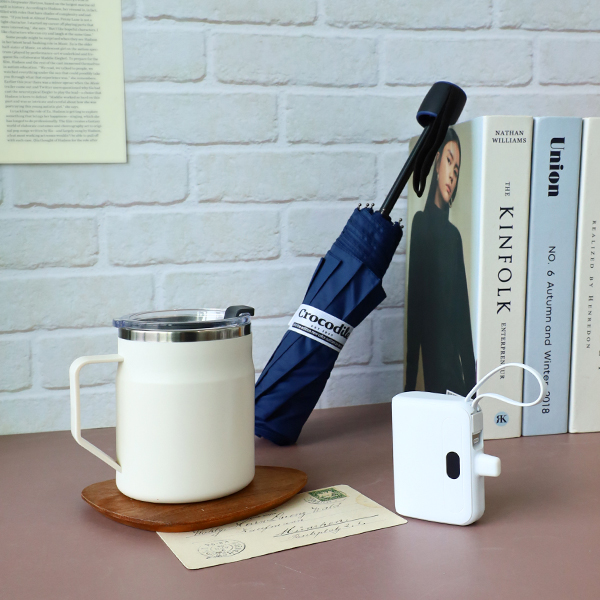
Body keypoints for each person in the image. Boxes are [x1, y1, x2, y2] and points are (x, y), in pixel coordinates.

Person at [404, 128, 476, 396]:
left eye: (457, 169)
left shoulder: (453, 237)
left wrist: (474, 390)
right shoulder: (420, 225)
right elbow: (414, 314)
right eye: (448, 161)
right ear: (436, 162)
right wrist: (409, 387)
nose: (452, 175)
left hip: (454, 377)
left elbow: (463, 319)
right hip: (432, 377)